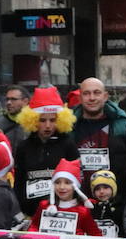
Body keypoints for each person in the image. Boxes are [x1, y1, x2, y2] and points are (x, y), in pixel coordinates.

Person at [13, 87, 81, 216]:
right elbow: (19, 181)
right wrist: (20, 210)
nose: (48, 125)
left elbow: (76, 181)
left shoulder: (67, 144)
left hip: (62, 212)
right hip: (30, 212)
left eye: (53, 120)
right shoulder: (24, 146)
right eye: (42, 120)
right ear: (32, 120)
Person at [72, 78, 126, 196]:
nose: (92, 98)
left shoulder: (122, 124)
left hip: (116, 199)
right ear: (80, 98)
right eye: (86, 93)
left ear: (105, 96)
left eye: (97, 92)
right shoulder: (69, 126)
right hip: (77, 200)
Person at [0, 85, 30, 151]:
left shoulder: (33, 124)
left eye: (13, 99)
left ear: (25, 101)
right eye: (7, 99)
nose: (8, 103)